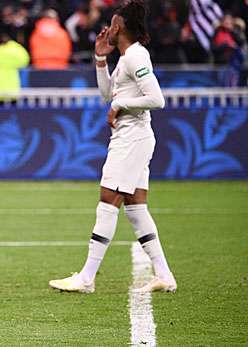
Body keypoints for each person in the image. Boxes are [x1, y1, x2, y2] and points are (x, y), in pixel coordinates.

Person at [49, 0, 176, 294]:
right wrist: (100, 60)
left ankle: (86, 277)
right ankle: (164, 275)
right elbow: (108, 95)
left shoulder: (136, 57)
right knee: (135, 207)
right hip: (129, 137)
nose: (108, 26)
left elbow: (157, 99)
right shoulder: (125, 58)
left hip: (133, 138)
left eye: (112, 22)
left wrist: (121, 103)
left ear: (118, 27)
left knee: (108, 199)